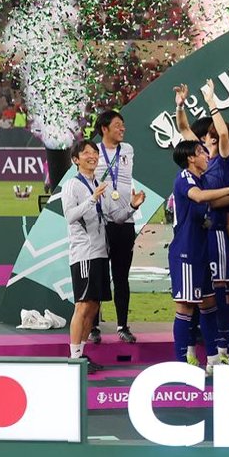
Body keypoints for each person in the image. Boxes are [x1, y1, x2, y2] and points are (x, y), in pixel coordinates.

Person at [168, 140, 229, 370]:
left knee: (209, 304)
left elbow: (215, 202)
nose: (206, 155)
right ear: (190, 158)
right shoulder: (185, 177)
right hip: (185, 252)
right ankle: (181, 363)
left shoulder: (202, 179)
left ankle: (213, 359)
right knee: (186, 307)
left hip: (202, 251)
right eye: (201, 152)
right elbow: (199, 197)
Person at [93, 109, 146, 345]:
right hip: (100, 222)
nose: (122, 128)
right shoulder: (93, 152)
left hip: (125, 220)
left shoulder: (128, 150)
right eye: (117, 125)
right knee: (98, 274)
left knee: (121, 276)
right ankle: (93, 326)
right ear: (104, 129)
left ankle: (122, 326)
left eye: (122, 124)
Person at [63, 140, 111, 373]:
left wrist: (132, 207)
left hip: (100, 252)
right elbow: (70, 216)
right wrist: (92, 199)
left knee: (93, 306)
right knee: (82, 305)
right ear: (76, 160)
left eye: (95, 152)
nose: (92, 156)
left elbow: (105, 215)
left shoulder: (97, 183)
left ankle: (81, 355)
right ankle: (74, 358)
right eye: (86, 153)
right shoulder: (72, 185)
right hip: (84, 253)